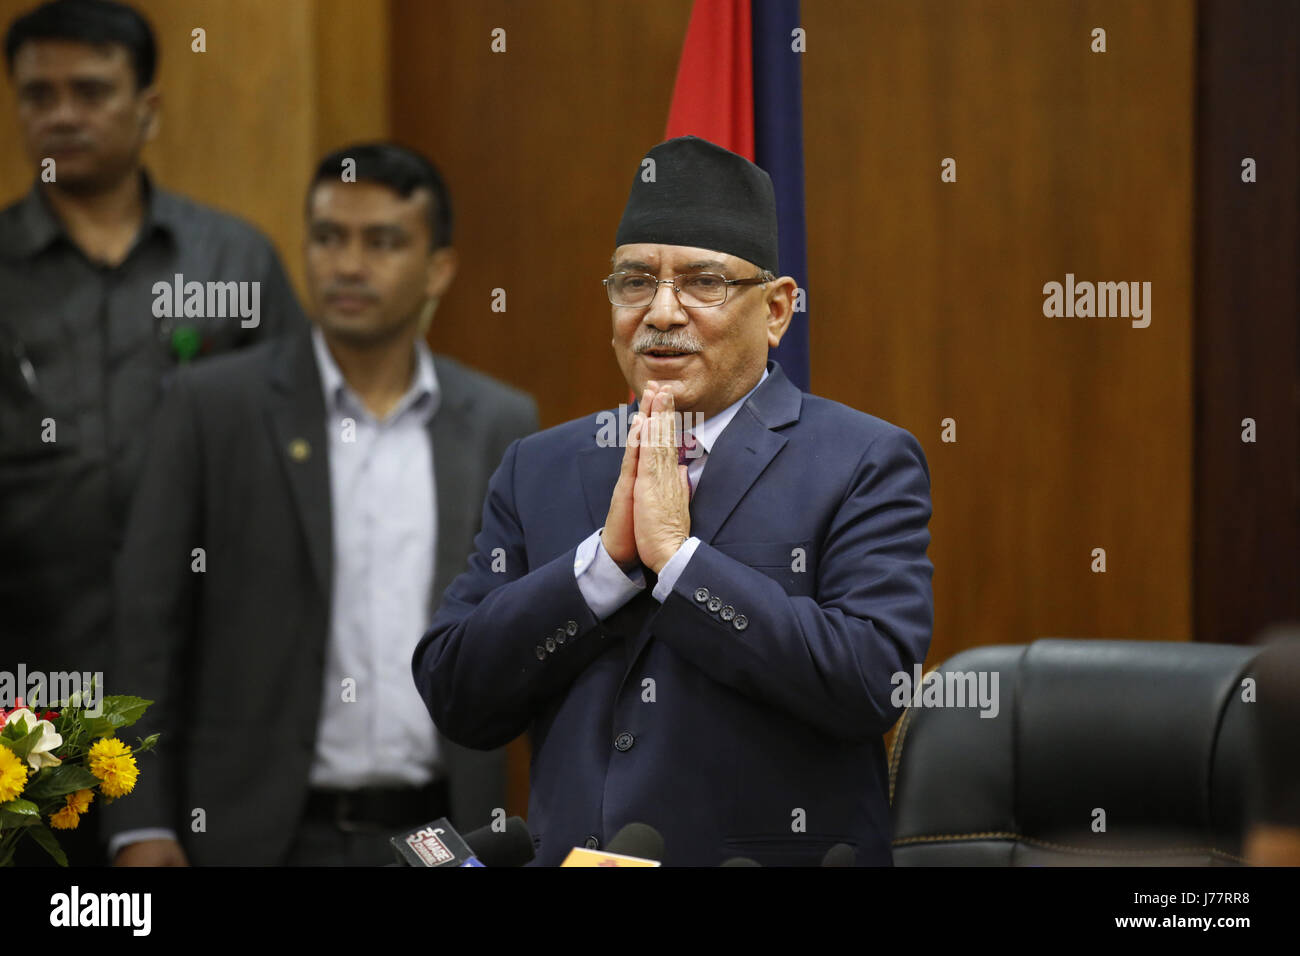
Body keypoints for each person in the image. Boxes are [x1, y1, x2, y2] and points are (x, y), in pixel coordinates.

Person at [413, 135, 934, 866]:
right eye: (634, 282)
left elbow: (869, 679)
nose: (661, 312)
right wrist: (602, 569)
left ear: (778, 309)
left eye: (703, 282)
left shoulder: (860, 459)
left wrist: (680, 564)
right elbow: (455, 690)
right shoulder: (543, 465)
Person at [105, 143, 539, 866]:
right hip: (257, 837)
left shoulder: (498, 421)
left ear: (439, 268)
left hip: (441, 833)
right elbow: (146, 627)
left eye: (383, 241)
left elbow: (529, 638)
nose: (347, 264)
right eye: (328, 237)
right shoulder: (214, 408)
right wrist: (139, 824)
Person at [0, 0, 300, 865]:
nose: (61, 112)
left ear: (148, 108)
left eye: (90, 90)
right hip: (27, 700)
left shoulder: (233, 263)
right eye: (38, 94)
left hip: (211, 701)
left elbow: (296, 474)